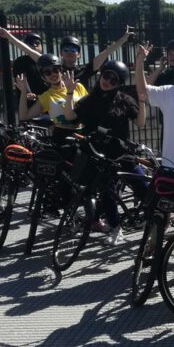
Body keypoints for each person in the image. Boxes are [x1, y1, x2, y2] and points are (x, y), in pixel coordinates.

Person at [62, 59, 146, 245]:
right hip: (98, 154)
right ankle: (115, 228)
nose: (107, 81)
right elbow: (69, 116)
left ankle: (156, 222)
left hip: (121, 152)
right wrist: (69, 92)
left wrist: (141, 101)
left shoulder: (124, 100)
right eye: (106, 75)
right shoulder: (90, 100)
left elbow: (140, 123)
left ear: (119, 84)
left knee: (143, 186)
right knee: (107, 192)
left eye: (113, 80)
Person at [0, 25, 134, 88]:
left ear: (79, 54)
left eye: (73, 49)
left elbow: (106, 53)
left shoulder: (84, 70)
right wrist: (8, 36)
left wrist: (123, 40)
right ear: (61, 53)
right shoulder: (54, 67)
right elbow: (31, 52)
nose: (69, 51)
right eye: (65, 49)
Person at [17, 53, 88, 138]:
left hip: (83, 133)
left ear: (61, 71)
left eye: (55, 70)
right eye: (47, 72)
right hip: (62, 136)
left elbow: (90, 106)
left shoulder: (77, 86)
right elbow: (24, 116)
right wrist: (23, 91)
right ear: (43, 77)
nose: (53, 74)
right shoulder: (46, 97)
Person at [10, 32, 47, 102]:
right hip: (30, 101)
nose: (34, 45)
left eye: (37, 42)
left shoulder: (47, 60)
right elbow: (20, 80)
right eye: (30, 43)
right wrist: (27, 93)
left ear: (42, 45)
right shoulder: (20, 62)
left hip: (47, 99)